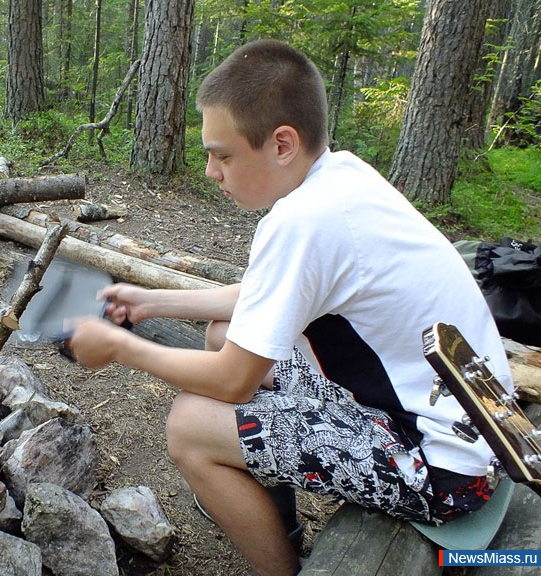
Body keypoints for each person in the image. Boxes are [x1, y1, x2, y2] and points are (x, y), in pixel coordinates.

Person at [67, 39, 512, 576]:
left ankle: (283, 569)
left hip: (444, 467)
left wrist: (119, 347)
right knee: (220, 332)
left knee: (189, 423)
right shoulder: (341, 178)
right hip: (472, 425)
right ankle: (273, 507)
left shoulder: (302, 222)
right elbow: (265, 300)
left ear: (282, 144)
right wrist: (151, 301)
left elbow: (232, 381)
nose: (211, 170)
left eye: (222, 154)